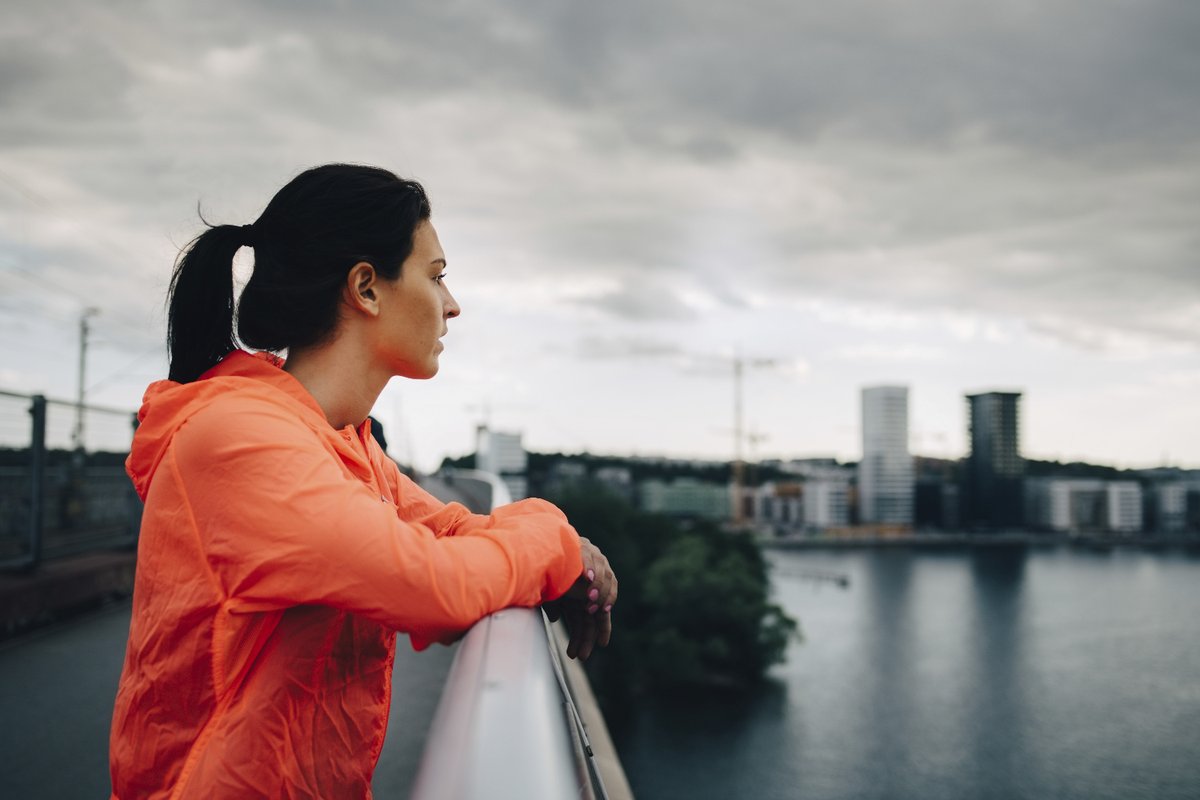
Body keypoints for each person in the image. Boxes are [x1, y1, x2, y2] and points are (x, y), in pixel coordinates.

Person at [108, 164, 617, 799]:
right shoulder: (239, 437)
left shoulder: (344, 442)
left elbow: (456, 529)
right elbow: (431, 584)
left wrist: (556, 537)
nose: (452, 305)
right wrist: (558, 545)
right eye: (436, 277)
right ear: (367, 289)